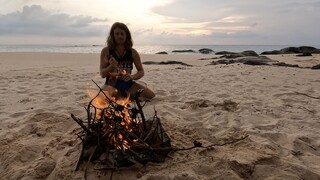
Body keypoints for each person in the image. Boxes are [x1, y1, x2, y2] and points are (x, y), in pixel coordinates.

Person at [100, 22, 155, 100]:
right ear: (113, 35)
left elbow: (141, 71)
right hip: (111, 85)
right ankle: (123, 98)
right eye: (117, 34)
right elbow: (102, 74)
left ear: (126, 36)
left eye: (122, 34)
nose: (120, 36)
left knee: (151, 95)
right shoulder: (106, 51)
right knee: (100, 99)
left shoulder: (133, 52)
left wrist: (132, 76)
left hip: (128, 85)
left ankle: (126, 97)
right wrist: (111, 66)